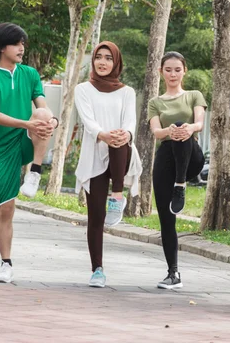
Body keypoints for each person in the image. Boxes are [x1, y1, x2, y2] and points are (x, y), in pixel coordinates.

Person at [0, 23, 59, 283]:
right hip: (2, 149)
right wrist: (27, 123)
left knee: (45, 115)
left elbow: (42, 107)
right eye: (16, 43)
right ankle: (6, 263)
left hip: (27, 140)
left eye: (23, 43)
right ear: (2, 47)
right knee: (6, 209)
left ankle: (35, 171)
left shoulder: (30, 74)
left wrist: (50, 121)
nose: (22, 48)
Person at [74, 41, 142, 288]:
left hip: (120, 155)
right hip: (94, 155)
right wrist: (103, 135)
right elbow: (88, 121)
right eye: (98, 57)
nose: (102, 62)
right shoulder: (83, 89)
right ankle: (97, 270)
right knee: (95, 216)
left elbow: (130, 123)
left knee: (120, 138)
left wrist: (125, 135)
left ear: (116, 63)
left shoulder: (127, 92)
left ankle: (117, 195)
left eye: (108, 58)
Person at [148, 51, 207, 289]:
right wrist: (169, 131)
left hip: (191, 155)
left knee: (184, 126)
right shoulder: (156, 102)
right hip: (166, 156)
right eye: (168, 69)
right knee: (166, 218)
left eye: (177, 69)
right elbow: (156, 132)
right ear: (161, 72)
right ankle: (173, 273)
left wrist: (186, 129)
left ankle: (180, 185)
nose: (173, 74)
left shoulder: (194, 95)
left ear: (185, 72)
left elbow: (199, 123)